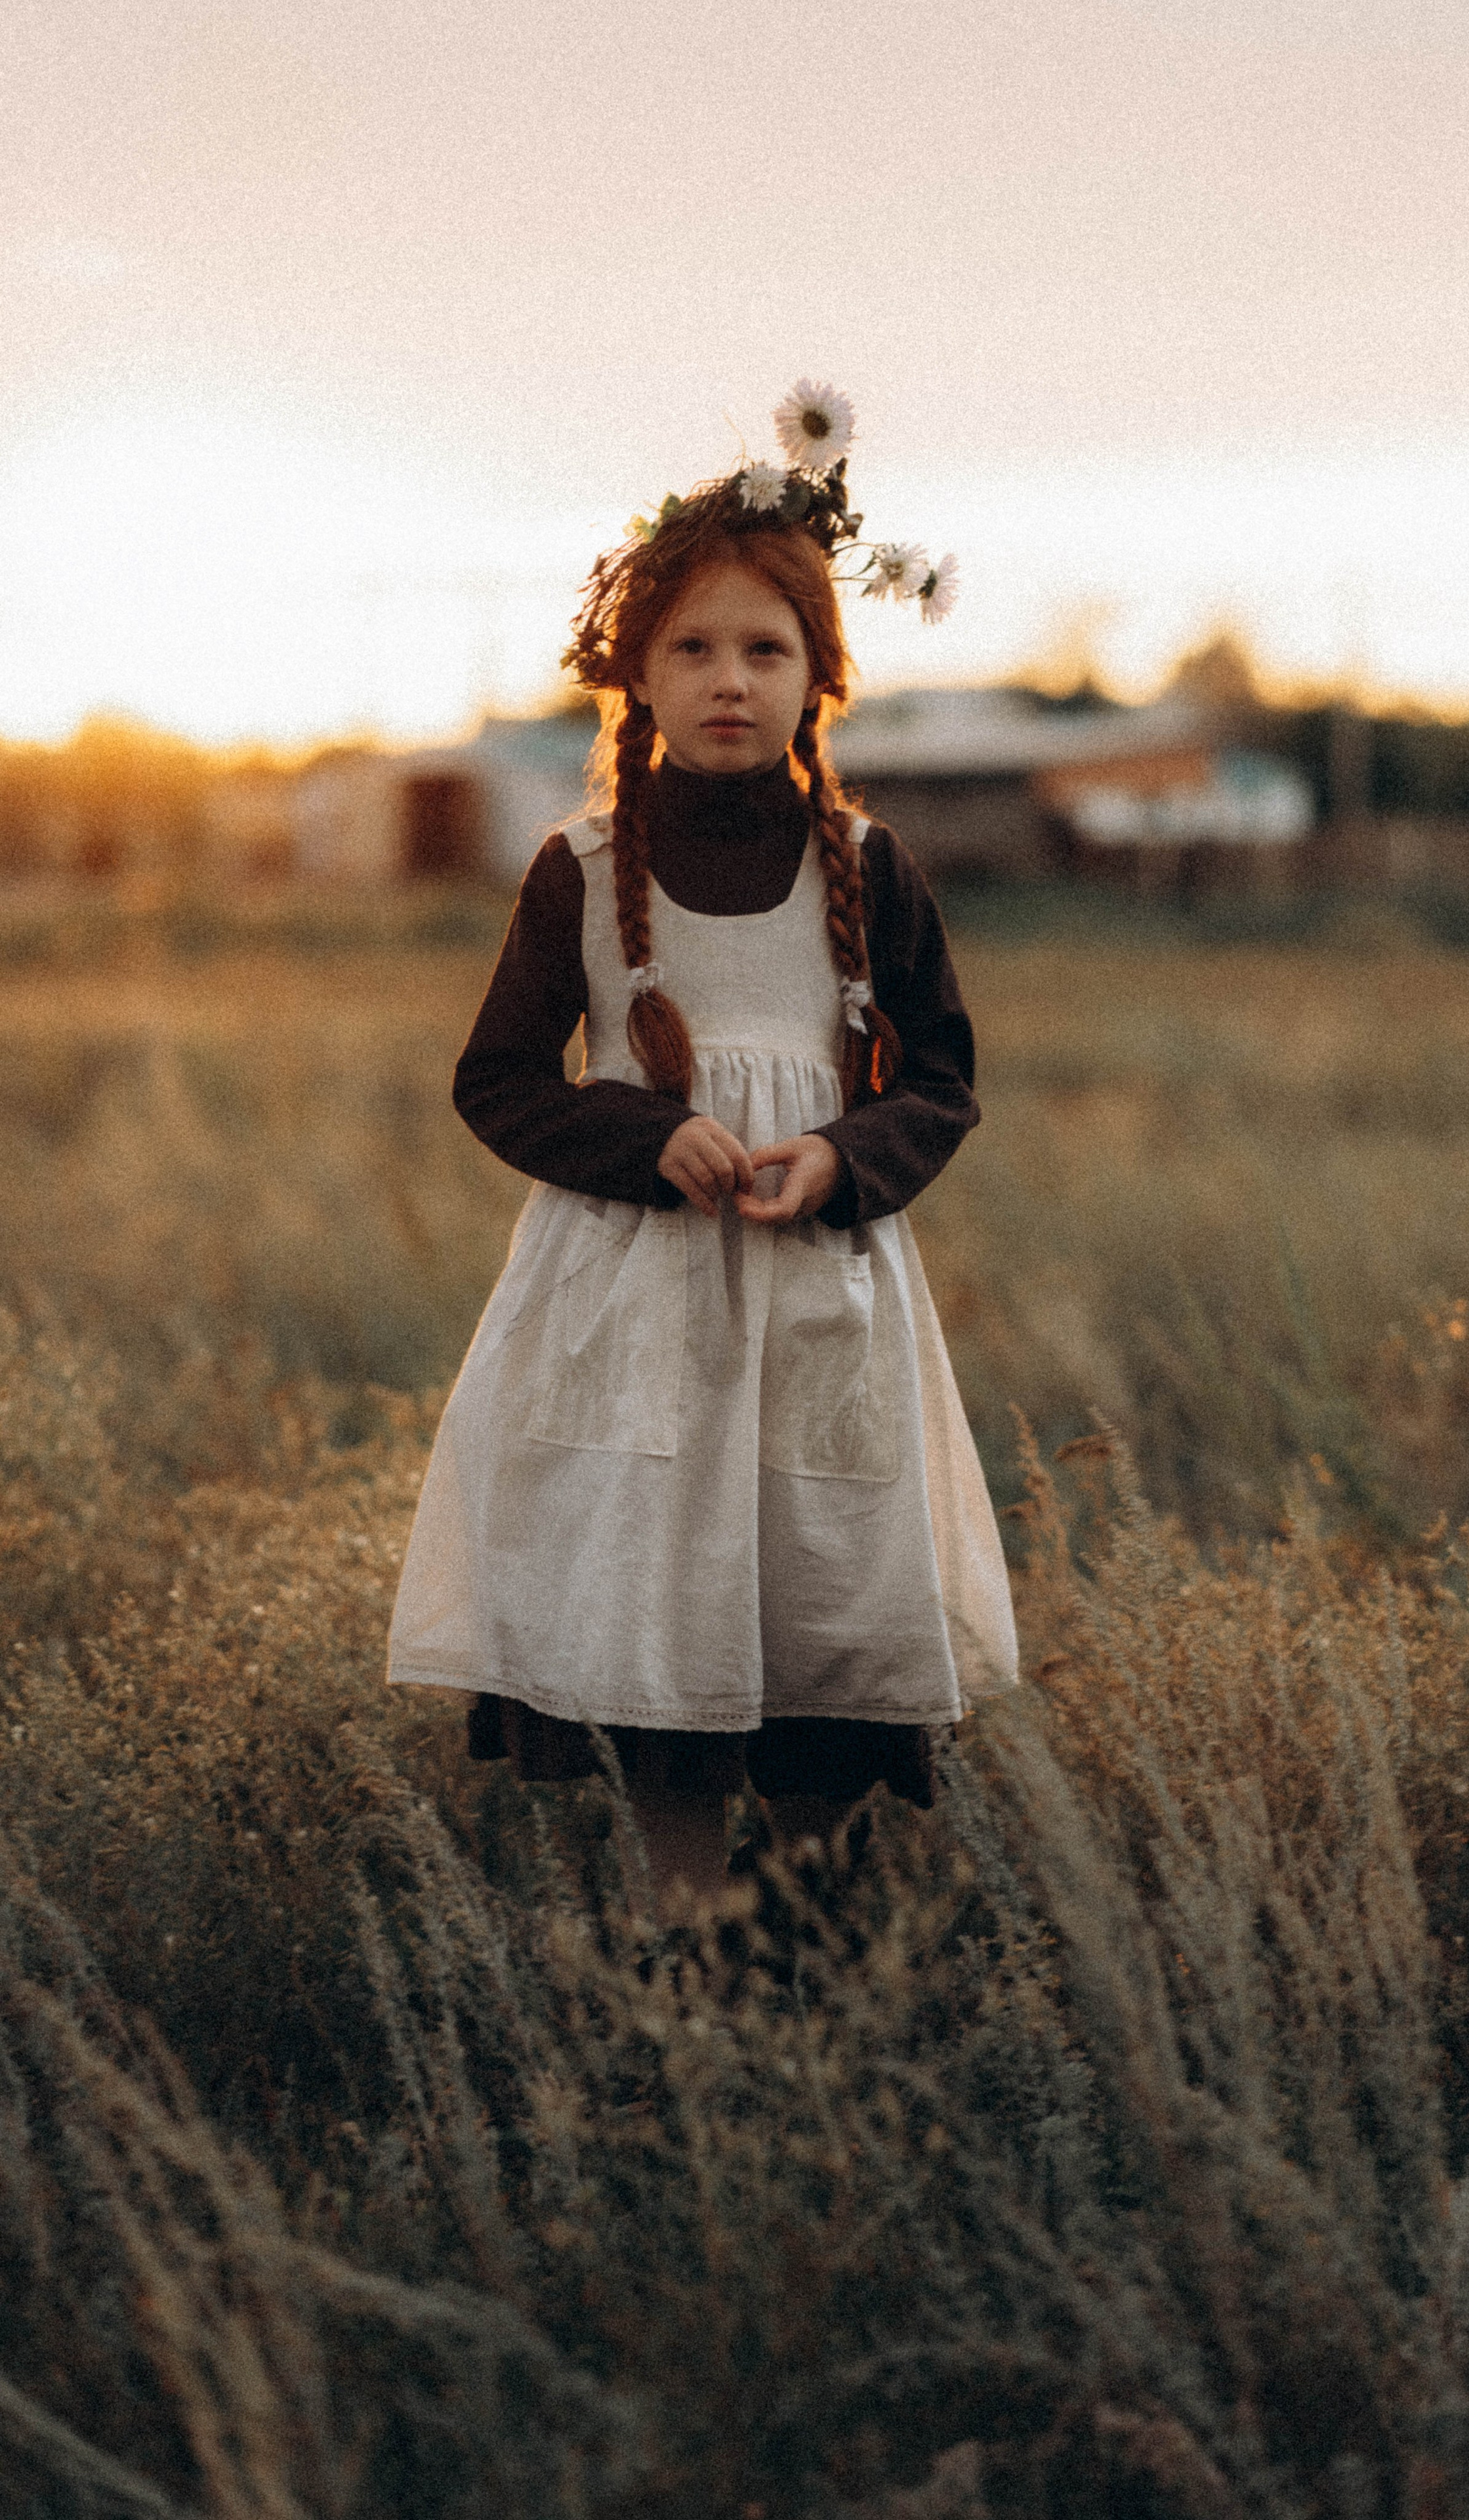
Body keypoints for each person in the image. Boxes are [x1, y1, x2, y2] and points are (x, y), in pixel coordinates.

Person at [387, 381, 1017, 1912]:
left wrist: (841, 1159)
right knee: (653, 1610)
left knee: (816, 1593)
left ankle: (796, 1932)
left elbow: (939, 1080)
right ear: (637, 674)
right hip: (632, 1307)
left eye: (764, 648)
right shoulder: (582, 869)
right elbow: (497, 1081)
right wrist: (641, 1131)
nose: (728, 679)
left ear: (817, 677)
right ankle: (684, 1926)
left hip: (818, 1301)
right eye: (692, 647)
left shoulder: (869, 867)